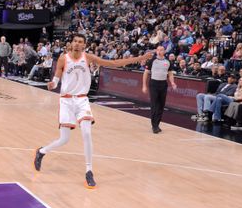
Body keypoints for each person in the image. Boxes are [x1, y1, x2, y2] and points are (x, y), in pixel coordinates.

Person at [34, 34, 151, 189]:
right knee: (64, 140)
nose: (77, 44)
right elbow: (56, 79)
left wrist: (139, 58)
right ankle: (42, 151)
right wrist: (52, 84)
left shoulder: (87, 57)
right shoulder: (63, 58)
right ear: (72, 43)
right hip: (66, 101)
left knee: (87, 134)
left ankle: (89, 171)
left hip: (82, 100)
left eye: (80, 42)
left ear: (84, 45)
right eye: (75, 41)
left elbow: (114, 63)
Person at [142, 45, 178, 134]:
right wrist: (144, 86)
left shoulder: (168, 61)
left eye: (161, 50)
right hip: (154, 84)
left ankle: (157, 124)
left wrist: (172, 83)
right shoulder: (152, 61)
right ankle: (154, 126)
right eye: (158, 50)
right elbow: (146, 73)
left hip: (163, 84)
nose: (159, 51)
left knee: (161, 105)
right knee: (154, 105)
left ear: (164, 51)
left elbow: (170, 74)